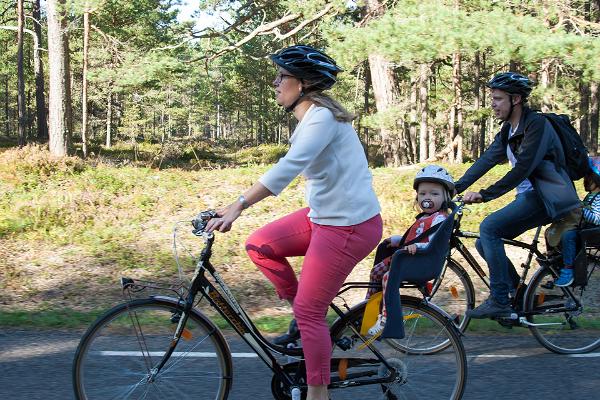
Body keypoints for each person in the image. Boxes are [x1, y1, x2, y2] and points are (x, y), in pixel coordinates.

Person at [205, 45, 382, 400]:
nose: (275, 82)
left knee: (309, 311)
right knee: (261, 245)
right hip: (324, 219)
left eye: (281, 76)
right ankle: (304, 324)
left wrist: (238, 204)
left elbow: (288, 167)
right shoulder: (311, 117)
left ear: (302, 83)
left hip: (348, 226)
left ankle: (318, 393)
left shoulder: (322, 118)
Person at [454, 72, 581, 319]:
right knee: (484, 242)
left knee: (489, 227)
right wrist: (455, 187)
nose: (493, 103)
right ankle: (518, 295)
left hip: (547, 198)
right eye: (492, 98)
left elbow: (524, 167)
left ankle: (499, 300)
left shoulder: (537, 126)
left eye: (498, 98)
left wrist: (485, 194)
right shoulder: (508, 131)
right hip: (529, 197)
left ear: (516, 99)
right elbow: (487, 160)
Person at [365, 165, 454, 335]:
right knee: (376, 272)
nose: (427, 198)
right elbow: (415, 238)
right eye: (423, 194)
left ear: (446, 197)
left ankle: (385, 319)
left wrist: (416, 247)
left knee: (387, 277)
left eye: (434, 194)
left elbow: (434, 243)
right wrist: (400, 240)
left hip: (420, 261)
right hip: (407, 258)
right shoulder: (424, 218)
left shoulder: (439, 219)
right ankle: (369, 307)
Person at [553, 156, 600, 286]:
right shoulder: (590, 195)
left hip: (594, 232)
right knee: (558, 230)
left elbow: (597, 219)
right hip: (585, 228)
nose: (586, 180)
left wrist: (581, 210)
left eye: (588, 177)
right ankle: (555, 260)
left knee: (569, 235)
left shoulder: (599, 197)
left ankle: (568, 270)